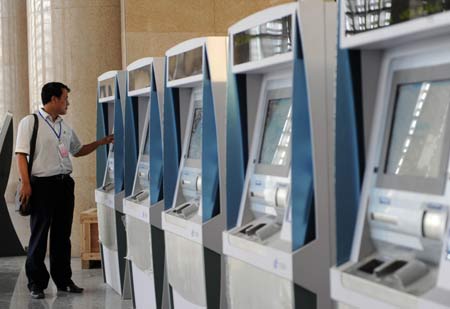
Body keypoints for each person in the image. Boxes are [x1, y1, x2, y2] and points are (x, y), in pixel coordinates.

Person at [15, 82, 113, 299]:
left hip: (64, 185)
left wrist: (101, 142)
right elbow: (21, 154)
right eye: (65, 98)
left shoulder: (64, 126)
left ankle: (63, 280)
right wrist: (25, 183)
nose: (67, 102)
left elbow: (77, 151)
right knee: (39, 235)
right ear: (53, 99)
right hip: (41, 185)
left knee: (62, 235)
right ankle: (36, 283)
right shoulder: (30, 122)